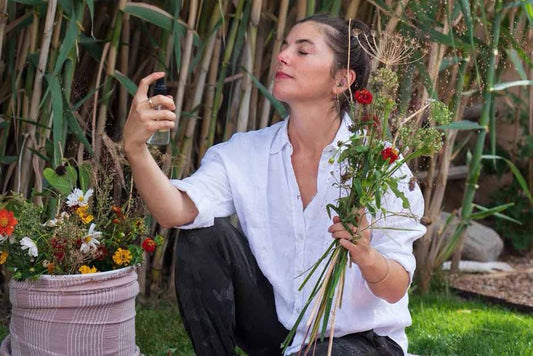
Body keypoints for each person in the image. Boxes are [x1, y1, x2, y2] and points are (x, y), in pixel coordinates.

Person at [123, 14, 426, 356]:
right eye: (284, 47)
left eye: (303, 51)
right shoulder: (244, 153)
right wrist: (136, 150)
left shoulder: (379, 164)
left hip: (362, 342)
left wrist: (367, 255)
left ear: (341, 80)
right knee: (202, 236)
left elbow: (395, 288)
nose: (283, 56)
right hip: (280, 332)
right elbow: (174, 211)